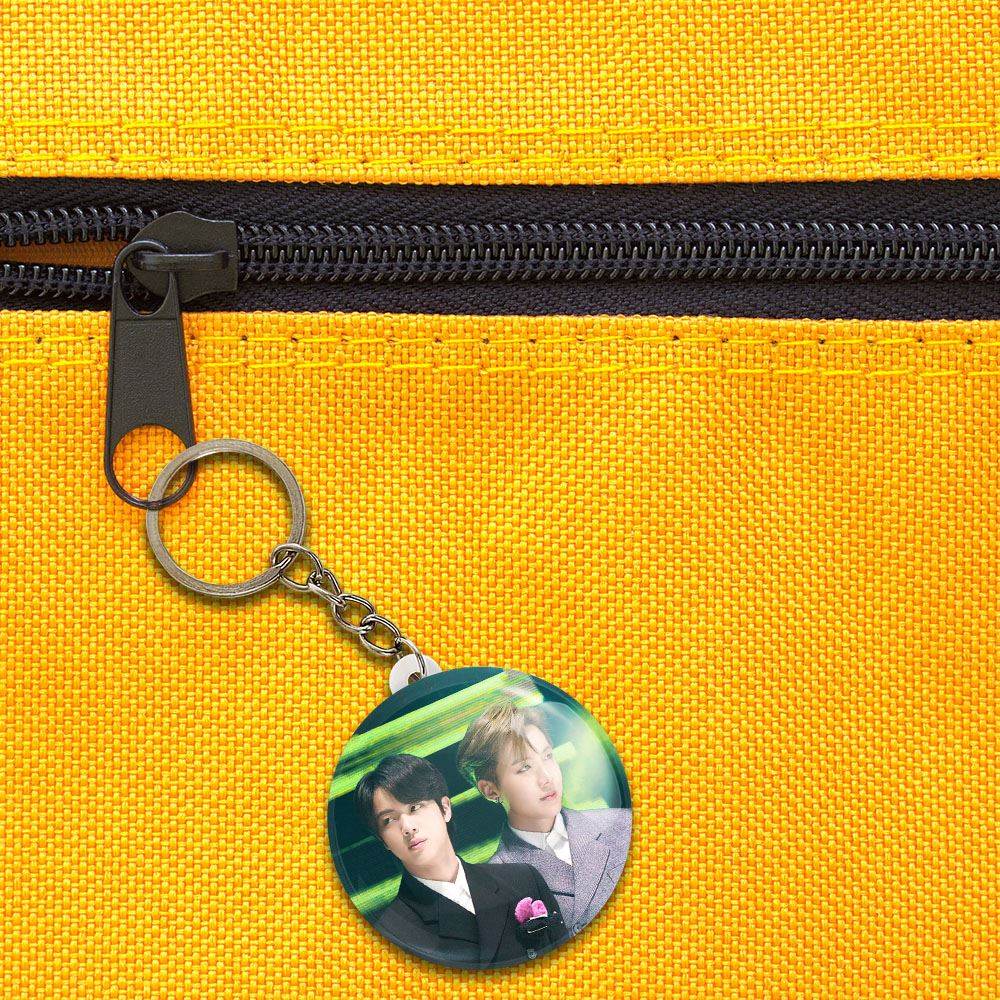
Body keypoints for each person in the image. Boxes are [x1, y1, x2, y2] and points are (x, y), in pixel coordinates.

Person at [355, 754, 567, 968]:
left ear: (445, 809)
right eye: (389, 820)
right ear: (383, 840)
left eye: (415, 807)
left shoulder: (522, 879)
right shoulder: (390, 935)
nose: (408, 827)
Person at [456, 699, 631, 936]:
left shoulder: (621, 824)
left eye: (548, 756)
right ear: (490, 790)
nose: (547, 777)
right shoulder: (495, 885)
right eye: (524, 767)